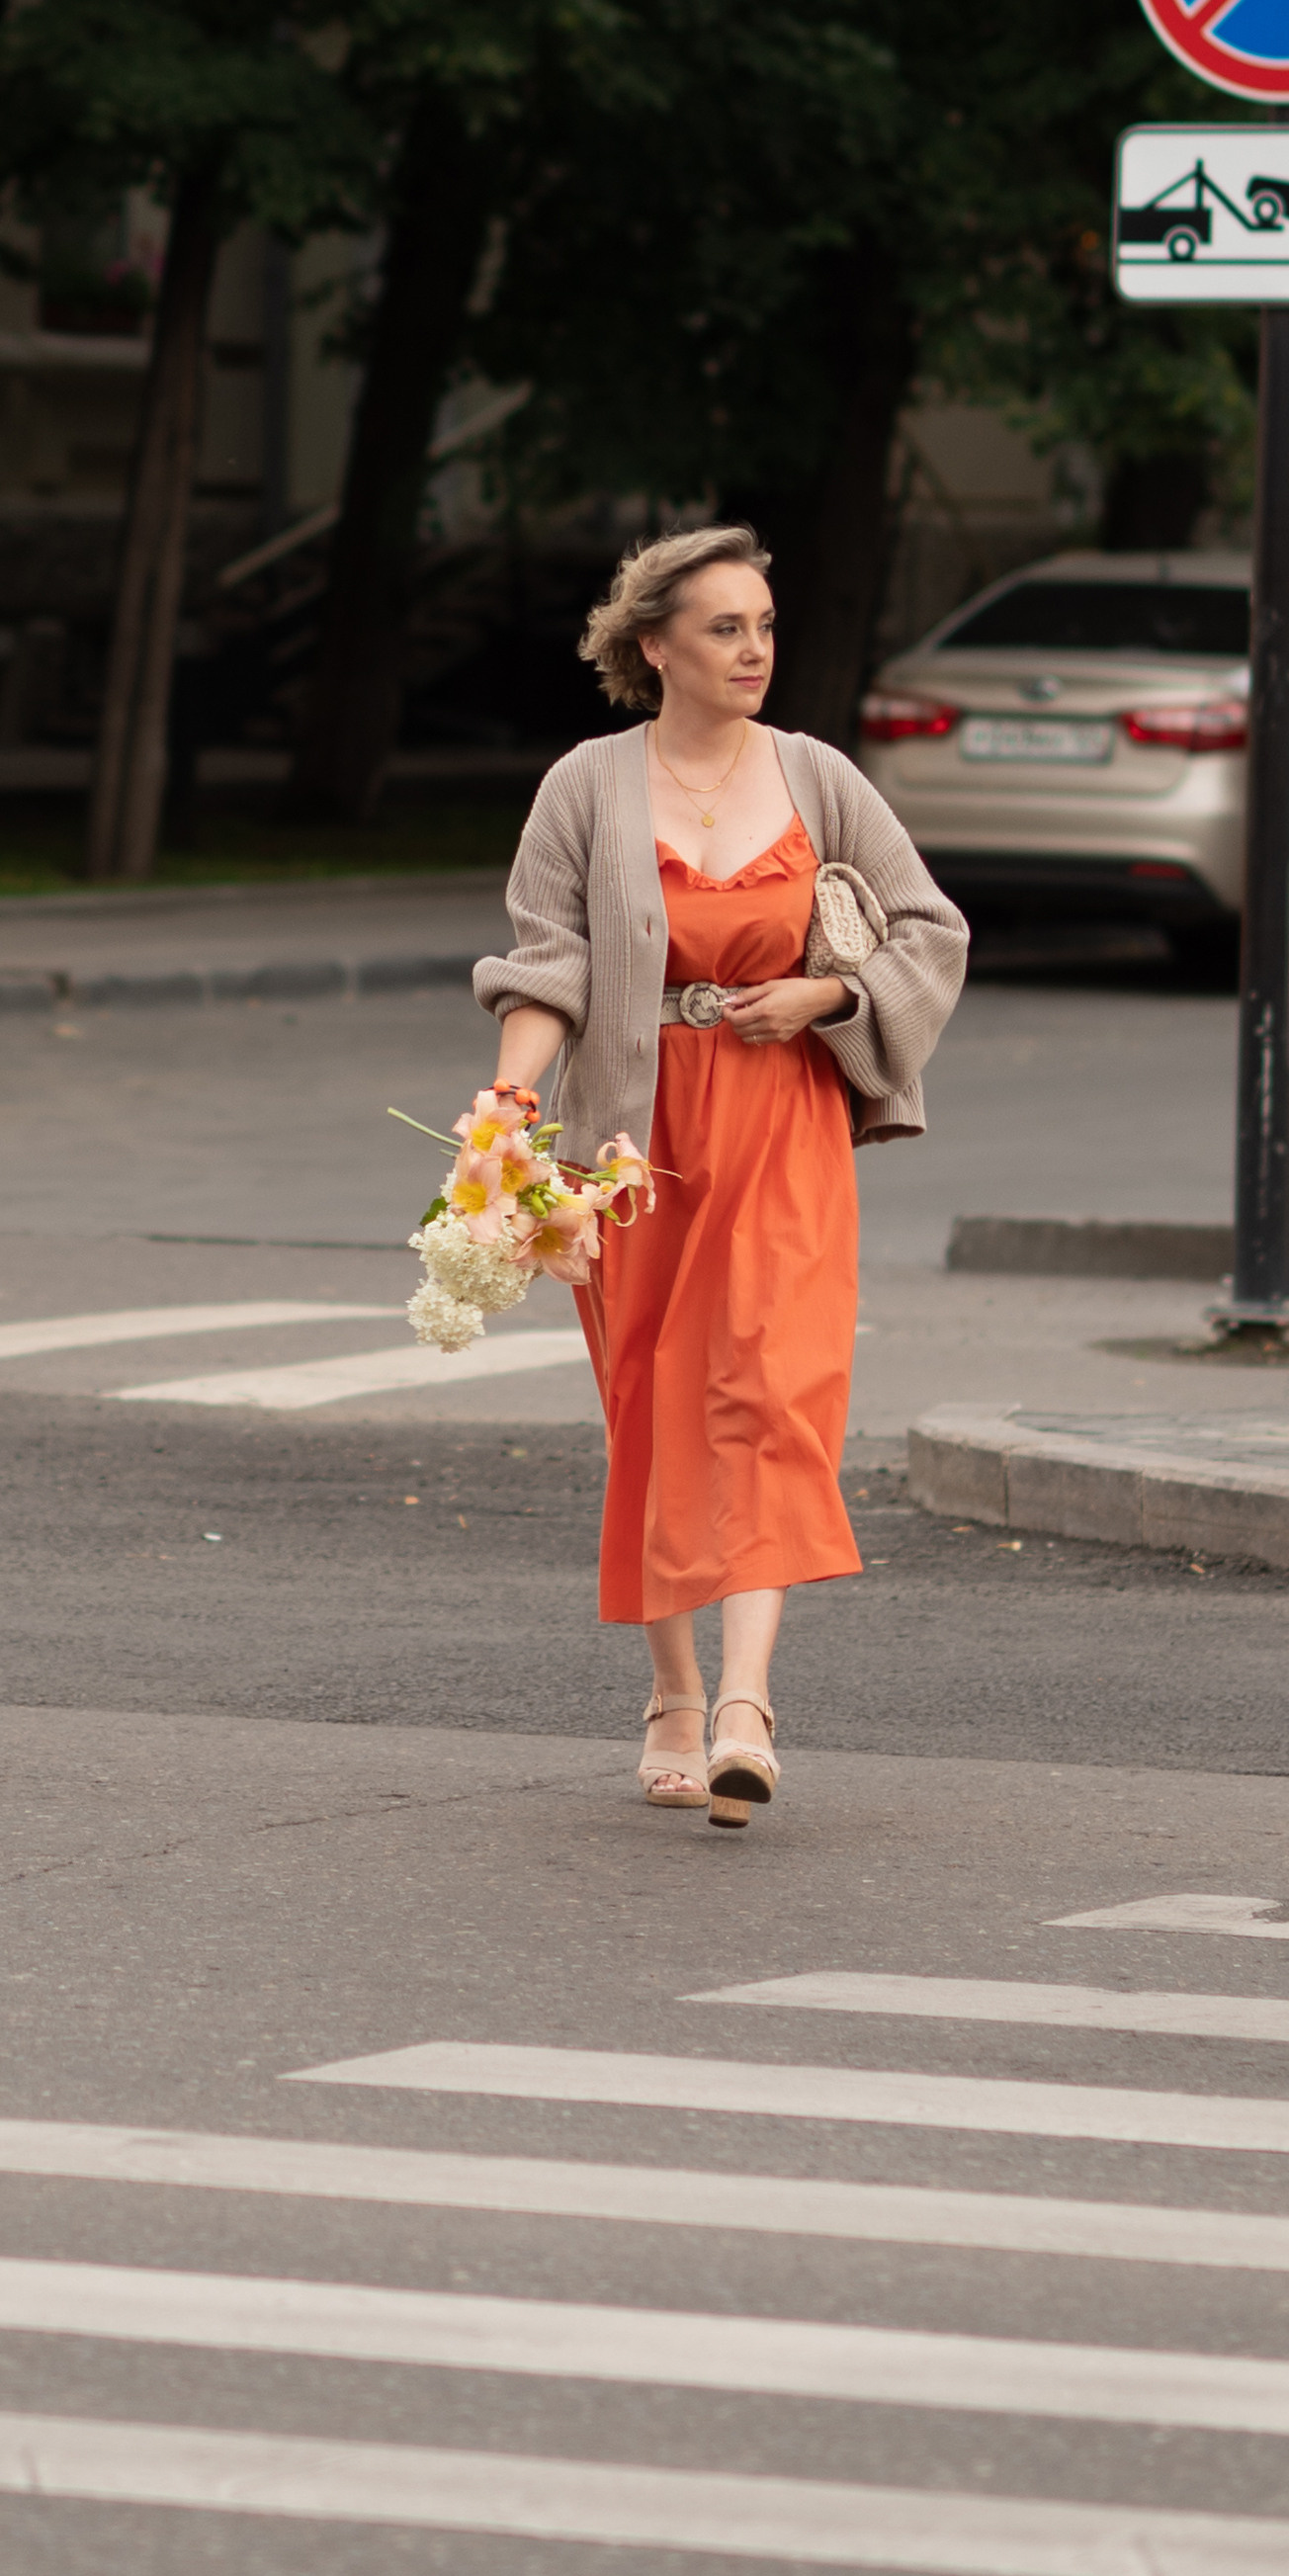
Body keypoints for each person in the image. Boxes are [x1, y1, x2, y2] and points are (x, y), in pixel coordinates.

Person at [473, 525, 968, 1828]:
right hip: (634, 1145)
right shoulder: (585, 788)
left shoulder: (816, 779)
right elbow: (547, 970)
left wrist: (821, 994)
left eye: (761, 624)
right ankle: (672, 1696)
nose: (753, 649)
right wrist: (511, 1105)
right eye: (722, 629)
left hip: (783, 1122)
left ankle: (747, 1706)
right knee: (653, 1408)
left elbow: (927, 929)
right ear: (654, 648)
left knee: (768, 1389)